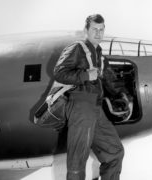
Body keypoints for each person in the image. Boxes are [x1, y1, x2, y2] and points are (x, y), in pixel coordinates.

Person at [53, 14, 130, 180]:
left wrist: (123, 96)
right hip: (80, 106)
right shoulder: (77, 48)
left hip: (96, 109)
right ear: (86, 30)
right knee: (77, 163)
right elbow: (59, 73)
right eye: (94, 29)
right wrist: (86, 75)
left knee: (115, 152)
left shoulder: (99, 55)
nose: (98, 33)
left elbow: (110, 81)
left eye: (101, 30)